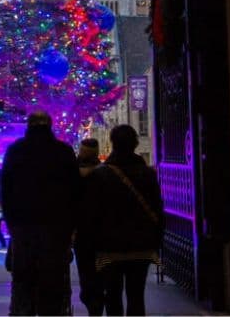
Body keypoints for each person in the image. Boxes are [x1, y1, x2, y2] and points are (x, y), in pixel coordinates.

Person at [78, 125, 164, 316]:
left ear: (113, 143)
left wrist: (89, 245)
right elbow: (158, 209)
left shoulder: (100, 175)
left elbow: (91, 214)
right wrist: (156, 239)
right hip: (141, 245)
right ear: (135, 143)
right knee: (136, 296)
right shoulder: (148, 174)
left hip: (109, 247)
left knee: (112, 295)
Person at [2, 110, 81, 316]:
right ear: (50, 125)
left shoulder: (16, 151)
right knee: (53, 280)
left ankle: (24, 311)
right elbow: (75, 191)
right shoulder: (63, 151)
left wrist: (12, 225)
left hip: (24, 227)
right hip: (56, 229)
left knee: (23, 281)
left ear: (28, 126)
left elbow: (6, 191)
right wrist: (70, 227)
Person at [74, 137, 103, 315]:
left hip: (82, 232)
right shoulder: (104, 173)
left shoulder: (72, 174)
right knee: (99, 274)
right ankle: (96, 301)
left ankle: (92, 301)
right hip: (101, 232)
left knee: (86, 273)